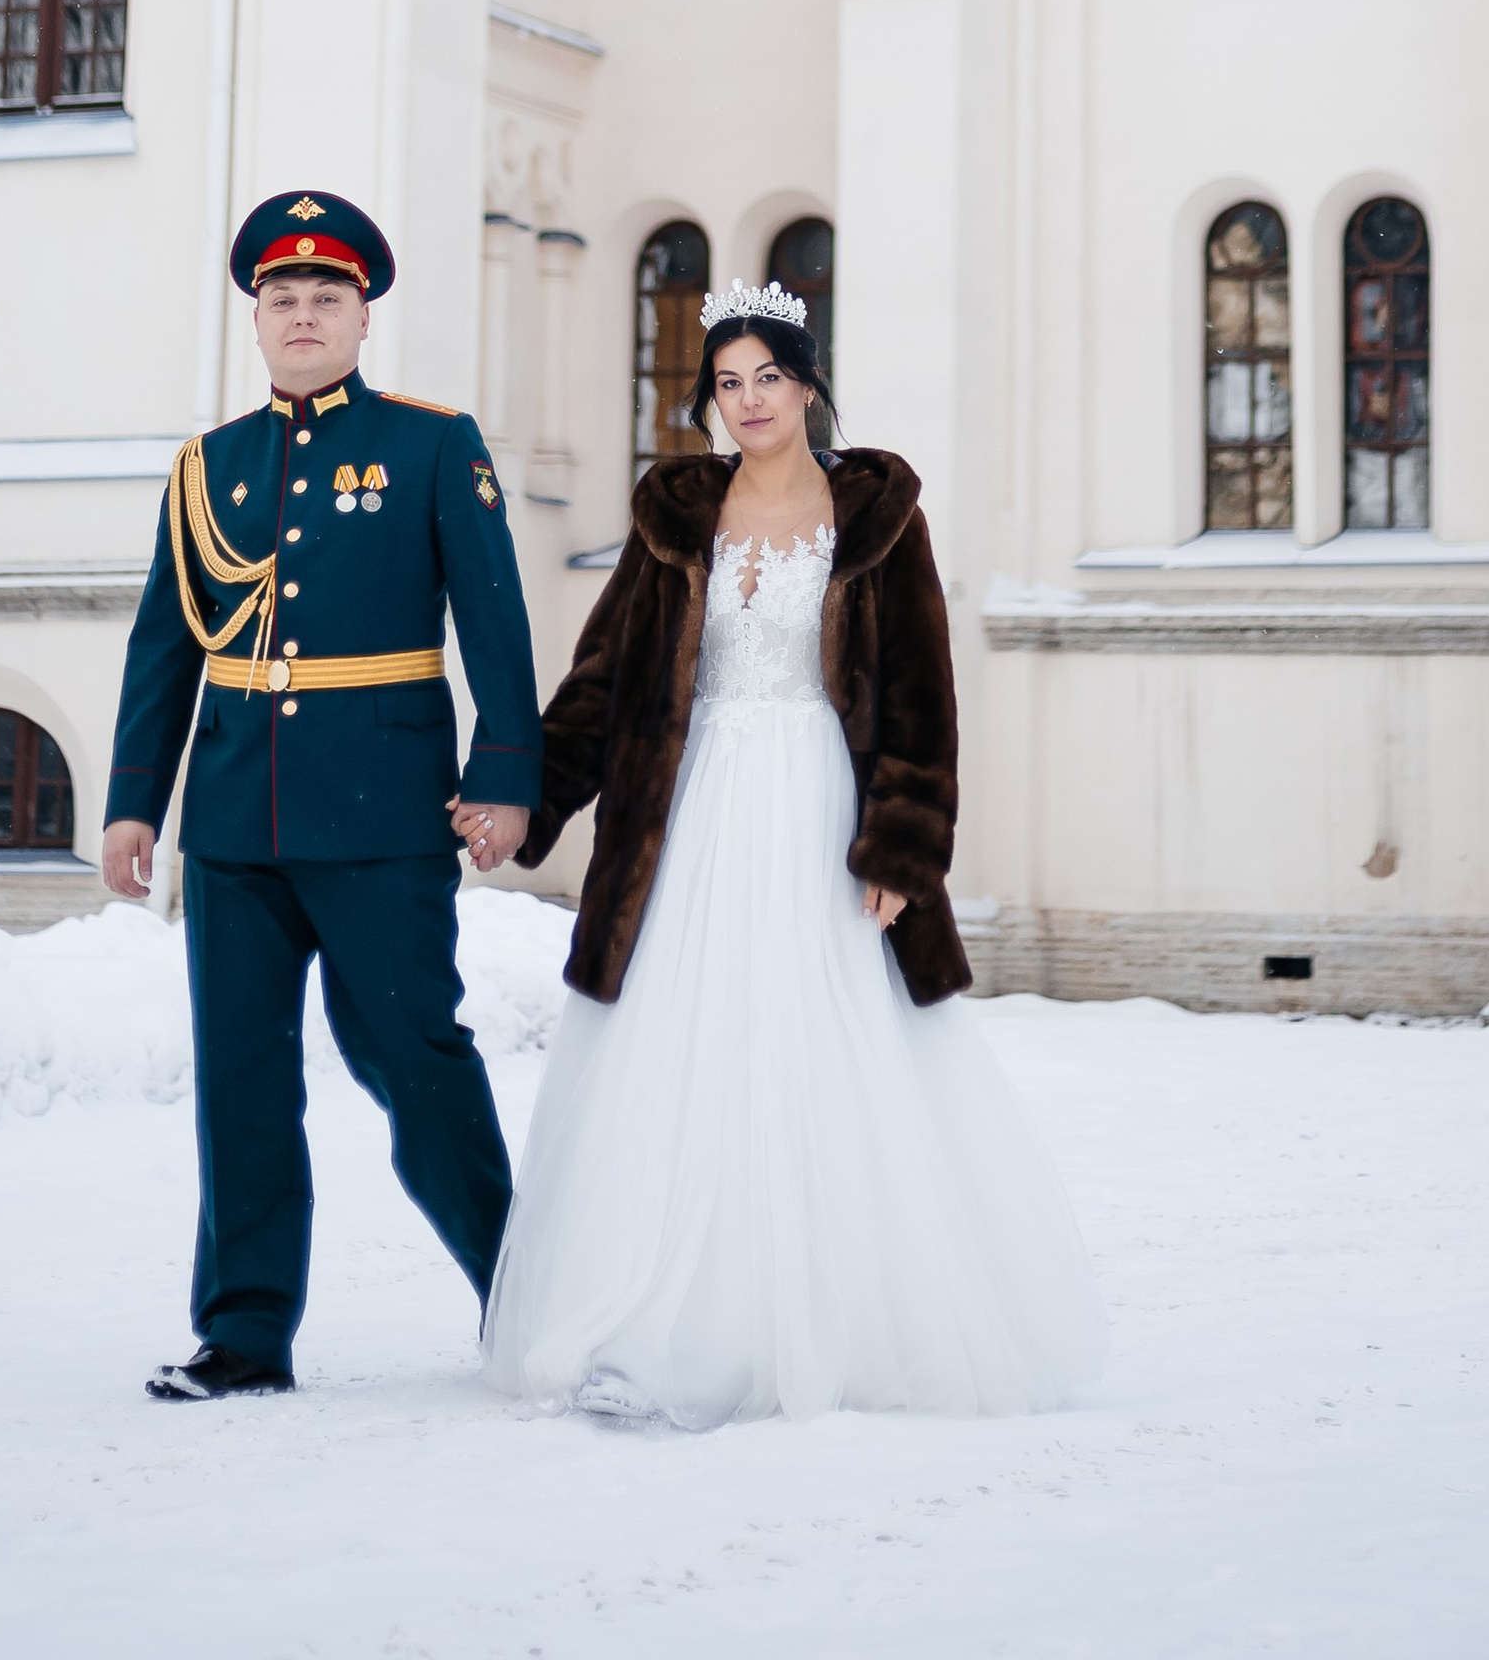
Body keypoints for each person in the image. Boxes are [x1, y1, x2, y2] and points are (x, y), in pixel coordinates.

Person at [472, 276, 1103, 1424]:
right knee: (682, 1048)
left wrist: (900, 853)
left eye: (768, 376)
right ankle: (655, 1327)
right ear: (707, 402)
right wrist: (526, 799)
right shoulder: (674, 515)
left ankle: (826, 1327)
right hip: (690, 819)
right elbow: (603, 683)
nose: (749, 399)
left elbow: (920, 702)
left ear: (809, 385)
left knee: (815, 1049)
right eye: (726, 383)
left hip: (817, 813)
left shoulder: (877, 519)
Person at [101, 187, 541, 1400]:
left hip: (383, 816)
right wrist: (136, 797)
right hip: (234, 820)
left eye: (326, 297)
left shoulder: (431, 444)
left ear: (361, 318)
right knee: (241, 1078)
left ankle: (528, 1300)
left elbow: (494, 623)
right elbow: (164, 643)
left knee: (416, 1060)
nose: (303, 314)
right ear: (256, 320)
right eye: (282, 297)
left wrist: (506, 777)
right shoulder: (210, 467)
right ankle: (244, 1335)